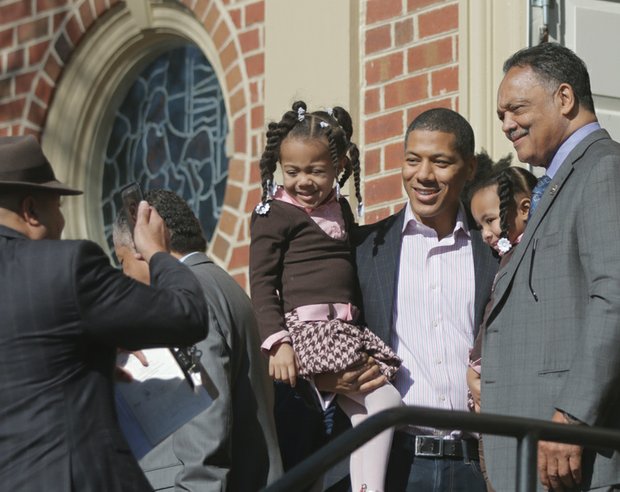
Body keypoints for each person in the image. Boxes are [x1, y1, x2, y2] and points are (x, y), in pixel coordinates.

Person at [0, 135, 208, 491]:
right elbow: (187, 314)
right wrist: (157, 251)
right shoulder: (65, 266)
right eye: (58, 208)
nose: (62, 223)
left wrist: (87, 362)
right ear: (31, 210)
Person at [483, 42, 620, 491]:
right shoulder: (557, 184)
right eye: (501, 114)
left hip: (573, 457)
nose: (506, 124)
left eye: (516, 108)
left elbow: (614, 296)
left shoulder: (602, 170)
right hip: (535, 458)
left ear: (564, 98)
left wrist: (572, 416)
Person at [250, 101, 402, 492]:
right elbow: (262, 282)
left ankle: (368, 487)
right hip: (309, 334)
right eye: (293, 171)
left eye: (316, 171)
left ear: (338, 168)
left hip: (345, 331)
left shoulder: (340, 209)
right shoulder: (274, 214)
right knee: (377, 404)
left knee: (382, 406)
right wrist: (278, 343)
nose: (303, 180)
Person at [347, 108, 499, 491]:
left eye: (441, 162)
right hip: (396, 465)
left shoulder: (495, 253)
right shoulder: (365, 249)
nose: (424, 175)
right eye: (413, 160)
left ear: (469, 167)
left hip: (480, 464)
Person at [113, 189, 283, 491]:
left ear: (140, 247)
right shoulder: (219, 284)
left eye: (122, 261)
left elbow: (205, 413)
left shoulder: (188, 297)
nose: (123, 276)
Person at [464, 152, 537, 412]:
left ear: (524, 208)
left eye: (490, 220)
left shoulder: (529, 255)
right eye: (479, 225)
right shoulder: (507, 259)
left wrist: (476, 365)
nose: (484, 234)